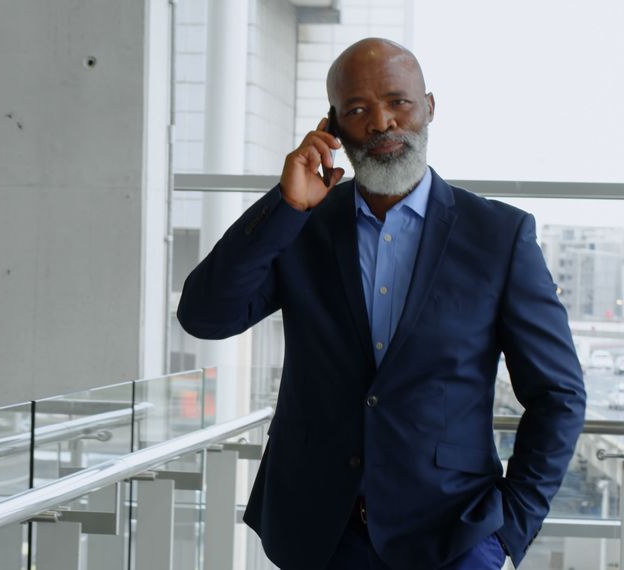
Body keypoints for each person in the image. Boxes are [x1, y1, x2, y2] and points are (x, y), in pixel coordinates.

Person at [177, 38, 585, 569]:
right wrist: (286, 205)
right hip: (319, 535)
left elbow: (558, 394)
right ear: (334, 126)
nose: (381, 123)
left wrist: (509, 529)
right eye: (357, 109)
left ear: (430, 108)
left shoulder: (498, 236)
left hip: (454, 537)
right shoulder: (302, 225)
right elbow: (205, 315)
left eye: (399, 102)